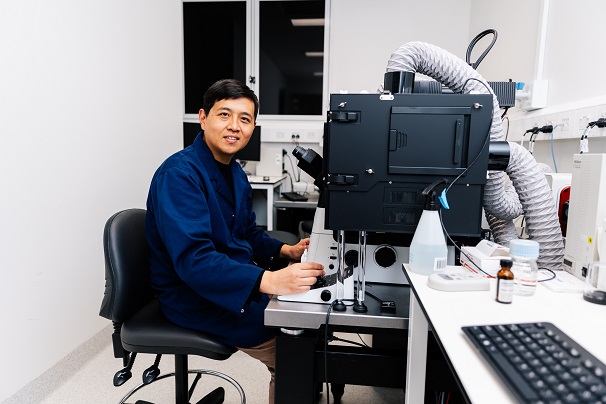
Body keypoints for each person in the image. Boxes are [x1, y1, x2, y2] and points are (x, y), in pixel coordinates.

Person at [145, 78, 324, 403]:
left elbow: (246, 233)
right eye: (224, 115)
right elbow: (195, 261)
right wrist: (268, 280)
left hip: (227, 280)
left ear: (253, 127)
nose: (234, 126)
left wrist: (287, 250)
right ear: (203, 118)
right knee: (294, 348)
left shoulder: (236, 173)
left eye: (244, 119)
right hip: (192, 295)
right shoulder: (180, 175)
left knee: (305, 316)